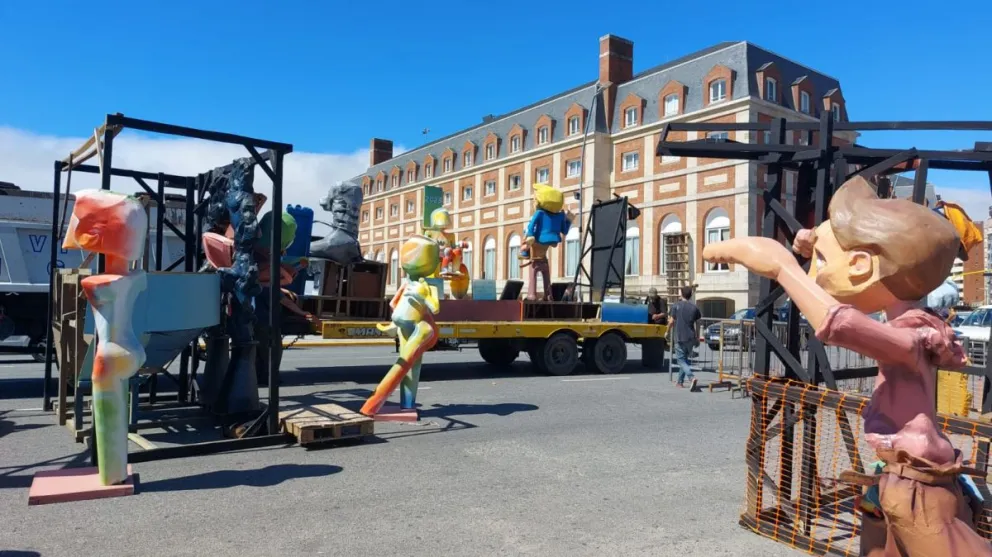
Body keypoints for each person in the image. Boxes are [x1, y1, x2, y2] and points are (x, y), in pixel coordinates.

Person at [702, 176, 992, 557]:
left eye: (822, 262)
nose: (815, 272)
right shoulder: (915, 324)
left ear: (859, 265)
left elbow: (840, 324)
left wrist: (782, 267)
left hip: (918, 487)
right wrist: (811, 242)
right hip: (892, 480)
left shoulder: (909, 340)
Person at [669, 285, 701, 391]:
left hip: (680, 336)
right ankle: (680, 382)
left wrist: (666, 331)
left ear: (681, 294)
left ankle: (691, 377)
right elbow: (698, 322)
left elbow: (671, 321)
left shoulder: (676, 305)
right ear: (691, 295)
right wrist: (697, 336)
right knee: (685, 359)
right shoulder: (695, 307)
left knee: (680, 360)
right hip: (691, 337)